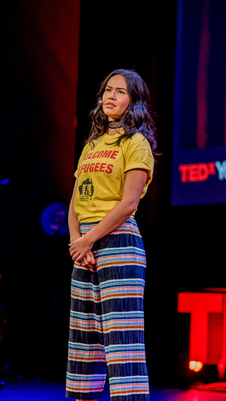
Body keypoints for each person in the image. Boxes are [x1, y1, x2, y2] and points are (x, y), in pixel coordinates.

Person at [66, 69, 156, 401]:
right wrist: (77, 241)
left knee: (121, 340)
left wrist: (89, 240)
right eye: (107, 90)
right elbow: (75, 199)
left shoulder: (136, 143)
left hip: (117, 240)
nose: (110, 96)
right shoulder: (91, 146)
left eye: (119, 91)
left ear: (134, 101)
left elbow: (129, 202)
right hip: (84, 246)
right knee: (84, 337)